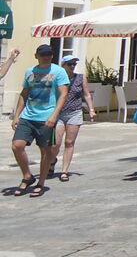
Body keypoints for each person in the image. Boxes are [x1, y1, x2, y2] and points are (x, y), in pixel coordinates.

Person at [11, 44, 69, 197]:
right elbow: (24, 93)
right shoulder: (30, 71)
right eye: (43, 54)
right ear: (36, 56)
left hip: (46, 117)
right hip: (28, 116)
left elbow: (63, 94)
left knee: (45, 151)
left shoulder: (58, 71)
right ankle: (28, 176)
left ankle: (41, 182)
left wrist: (54, 116)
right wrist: (17, 115)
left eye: (49, 54)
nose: (46, 57)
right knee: (17, 146)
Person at [53, 54, 96, 182]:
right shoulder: (56, 78)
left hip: (74, 112)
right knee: (56, 143)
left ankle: (64, 171)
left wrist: (91, 109)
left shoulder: (80, 78)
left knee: (69, 142)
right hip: (58, 113)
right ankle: (51, 161)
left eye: (74, 64)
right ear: (63, 66)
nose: (72, 66)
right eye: (69, 64)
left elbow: (87, 94)